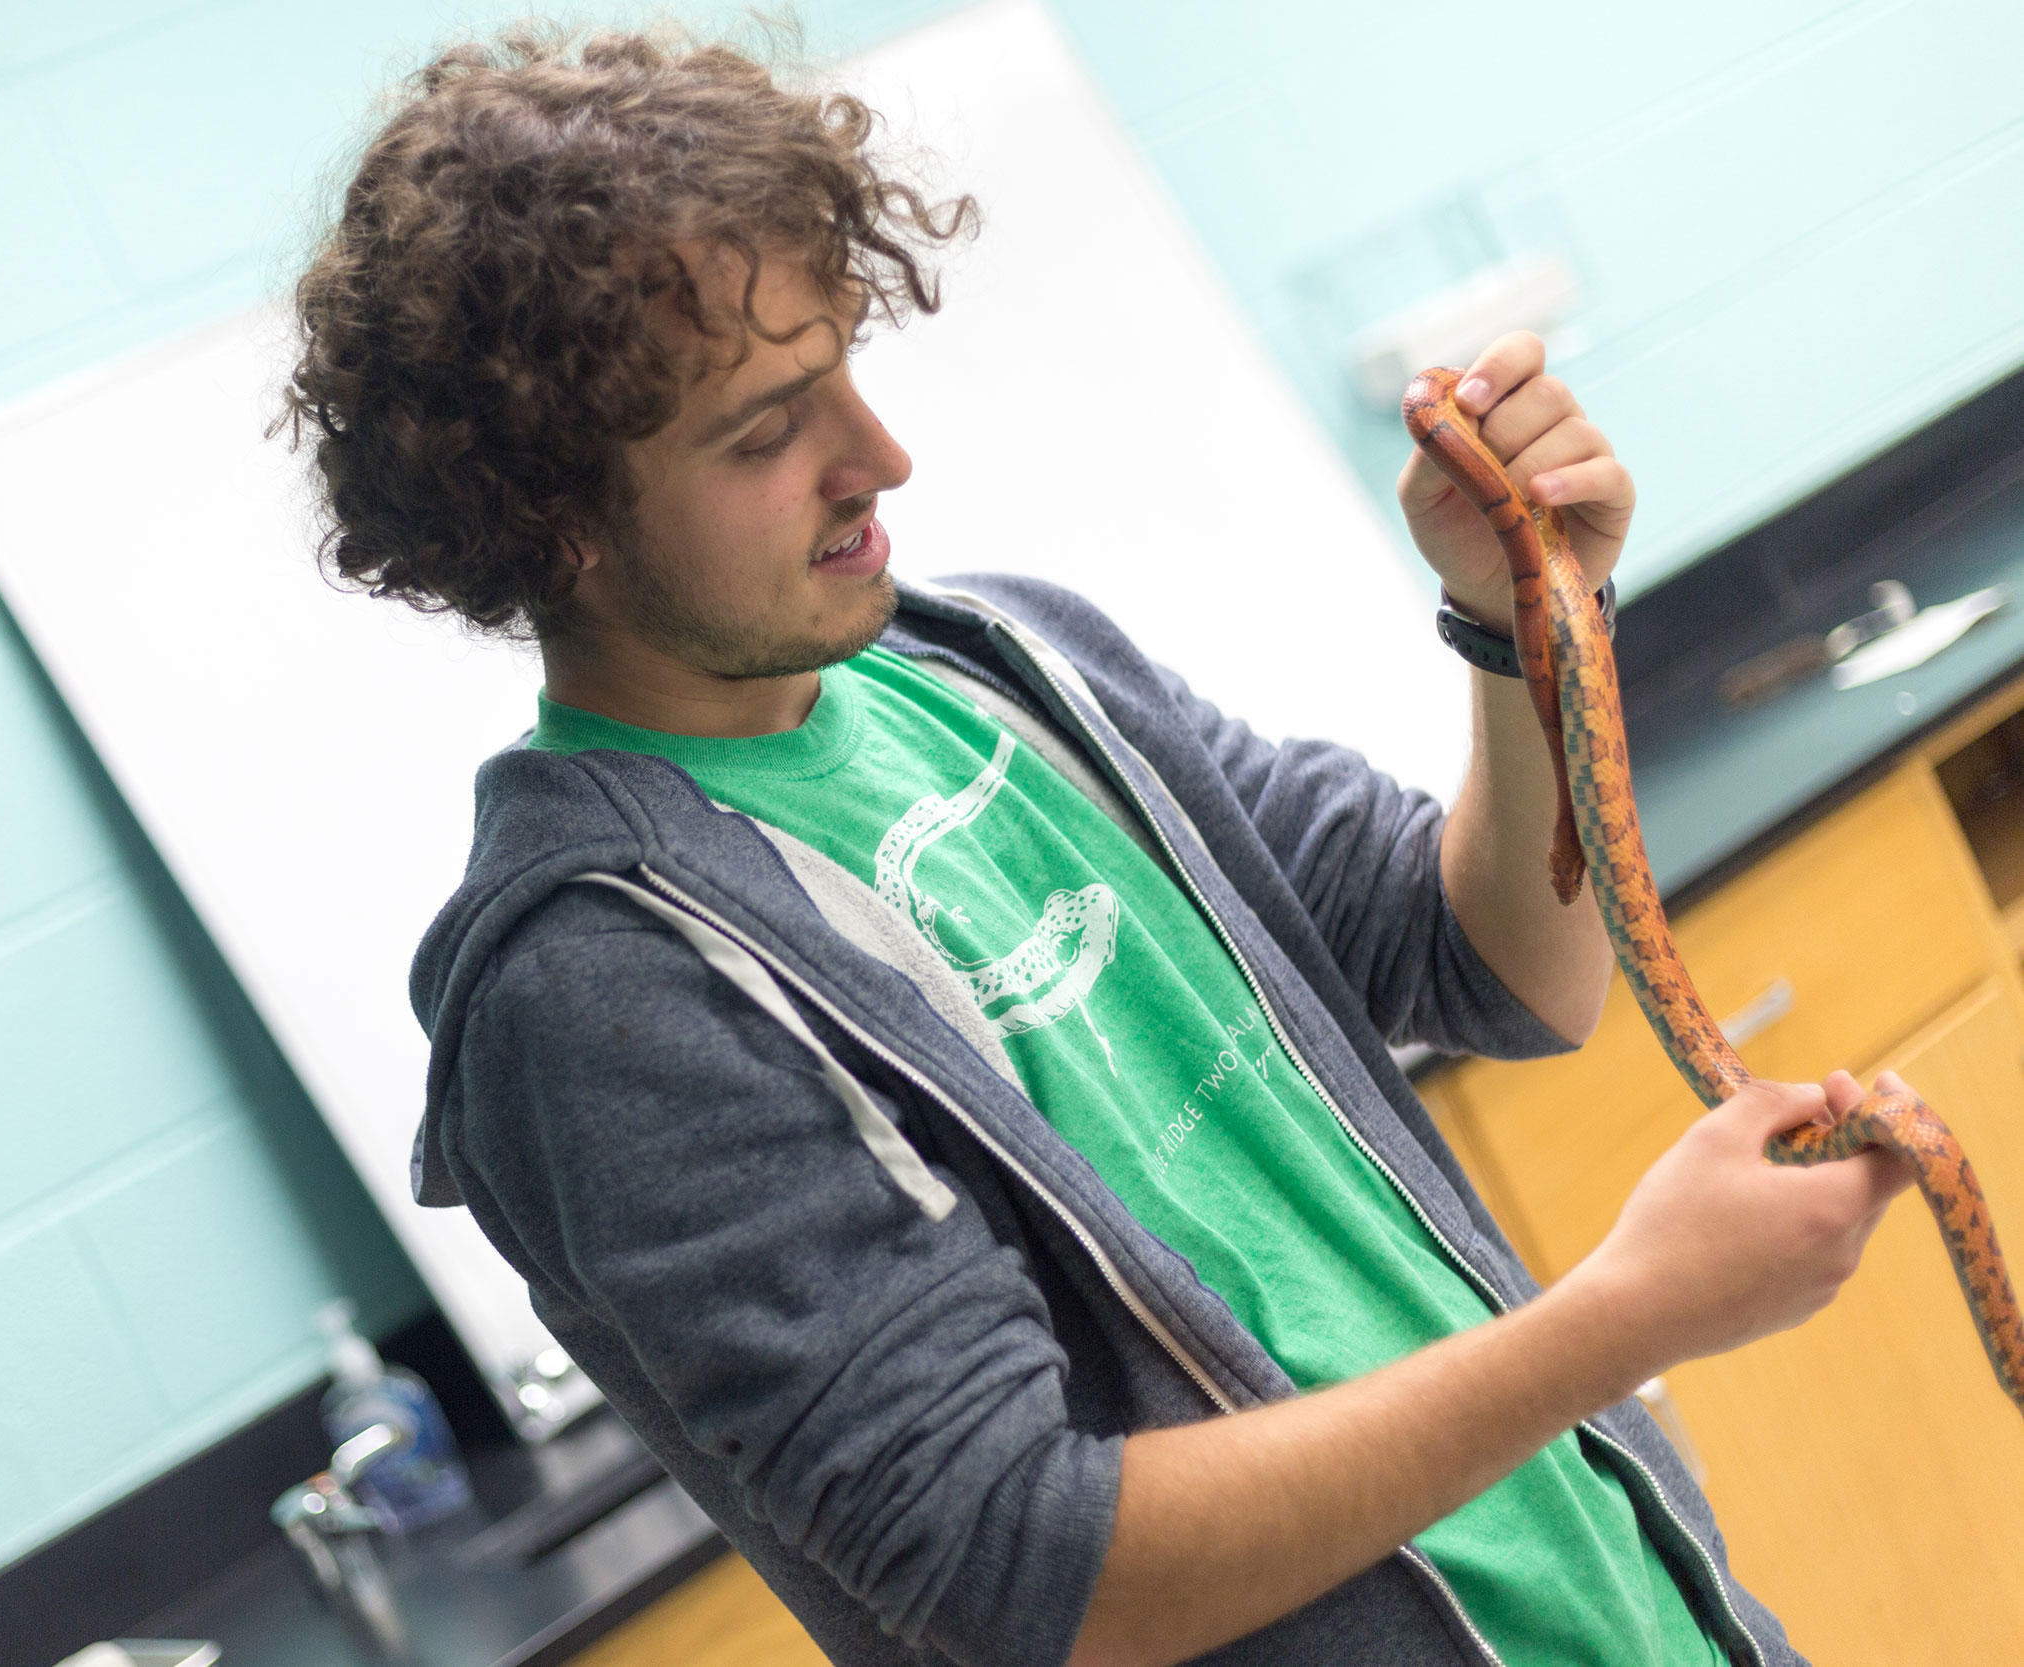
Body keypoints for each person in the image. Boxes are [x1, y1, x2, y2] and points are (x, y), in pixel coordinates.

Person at [282, 25, 1912, 1667]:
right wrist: (1624, 1319)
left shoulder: (1009, 669)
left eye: (849, 365)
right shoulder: (594, 985)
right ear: (550, 519)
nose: (880, 457)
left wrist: (1522, 623)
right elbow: (1023, 1571)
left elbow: (1498, 966)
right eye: (766, 434)